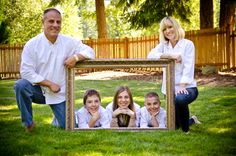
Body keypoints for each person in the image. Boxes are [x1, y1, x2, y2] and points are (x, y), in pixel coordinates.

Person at [13, 8, 95, 132]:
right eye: (51, 21)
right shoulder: (32, 44)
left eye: (58, 22)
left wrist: (76, 57)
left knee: (69, 127)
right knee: (20, 85)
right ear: (43, 22)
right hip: (38, 90)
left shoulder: (69, 42)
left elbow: (90, 51)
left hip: (60, 93)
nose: (55, 25)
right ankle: (28, 123)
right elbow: (26, 72)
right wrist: (49, 84)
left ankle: (57, 117)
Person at [147, 16, 201, 133]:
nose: (168, 31)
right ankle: (192, 120)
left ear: (176, 27)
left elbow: (189, 67)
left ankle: (186, 131)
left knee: (180, 99)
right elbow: (150, 55)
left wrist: (182, 86)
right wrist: (171, 56)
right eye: (164, 29)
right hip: (169, 89)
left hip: (187, 87)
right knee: (174, 125)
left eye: (170, 27)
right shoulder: (164, 45)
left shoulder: (188, 44)